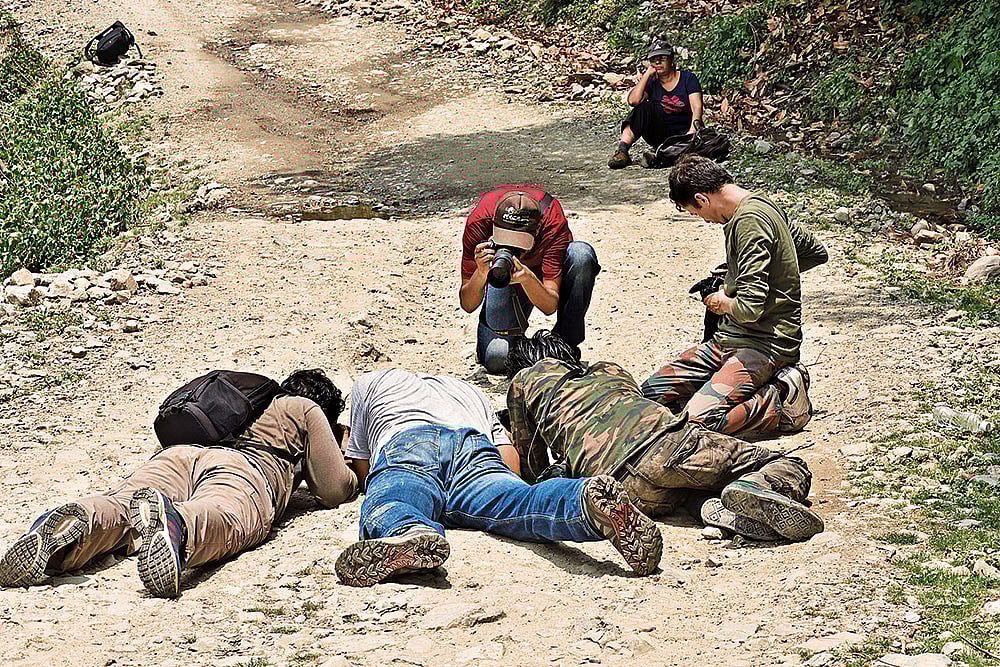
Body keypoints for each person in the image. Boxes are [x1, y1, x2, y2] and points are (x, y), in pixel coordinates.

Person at [0, 369, 358, 598]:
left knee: (124, 504)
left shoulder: (246, 400)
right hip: (244, 469)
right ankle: (177, 525)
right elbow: (333, 490)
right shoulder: (304, 409)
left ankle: (70, 525)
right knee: (223, 514)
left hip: (177, 456)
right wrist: (344, 453)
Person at [334, 368, 662, 587]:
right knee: (519, 502)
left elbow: (361, 461)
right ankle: (582, 501)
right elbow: (508, 457)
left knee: (394, 497)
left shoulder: (370, 382)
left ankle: (409, 531)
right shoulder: (469, 390)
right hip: (473, 445)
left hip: (409, 441)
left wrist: (383, 487)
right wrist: (501, 488)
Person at [504, 331, 824, 542]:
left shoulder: (523, 383)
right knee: (784, 464)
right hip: (666, 446)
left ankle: (710, 509)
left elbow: (530, 468)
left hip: (616, 488)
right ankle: (754, 485)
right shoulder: (609, 369)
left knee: (678, 491)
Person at [641, 156, 829, 437]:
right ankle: (715, 395)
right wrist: (763, 273)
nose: (703, 220)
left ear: (702, 199)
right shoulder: (763, 205)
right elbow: (814, 251)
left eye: (695, 212)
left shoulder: (750, 222)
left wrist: (721, 302)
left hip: (764, 345)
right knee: (646, 397)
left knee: (697, 424)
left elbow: (750, 309)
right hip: (727, 340)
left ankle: (782, 398)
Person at [460, 185, 600, 374]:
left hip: (538, 272)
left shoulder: (551, 221)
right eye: (505, 241)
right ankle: (535, 352)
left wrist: (527, 279)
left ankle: (564, 345)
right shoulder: (479, 222)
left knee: (581, 254)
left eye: (519, 243)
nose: (513, 250)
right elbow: (467, 304)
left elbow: (549, 306)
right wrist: (481, 273)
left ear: (537, 228)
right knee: (496, 359)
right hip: (503, 273)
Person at [608, 38, 703, 170]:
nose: (658, 62)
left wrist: (693, 130)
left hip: (684, 130)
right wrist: (646, 75)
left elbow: (697, 106)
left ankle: (660, 156)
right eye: (653, 60)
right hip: (659, 131)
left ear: (671, 60)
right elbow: (633, 101)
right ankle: (622, 150)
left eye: (662, 58)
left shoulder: (688, 78)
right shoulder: (652, 81)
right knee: (642, 107)